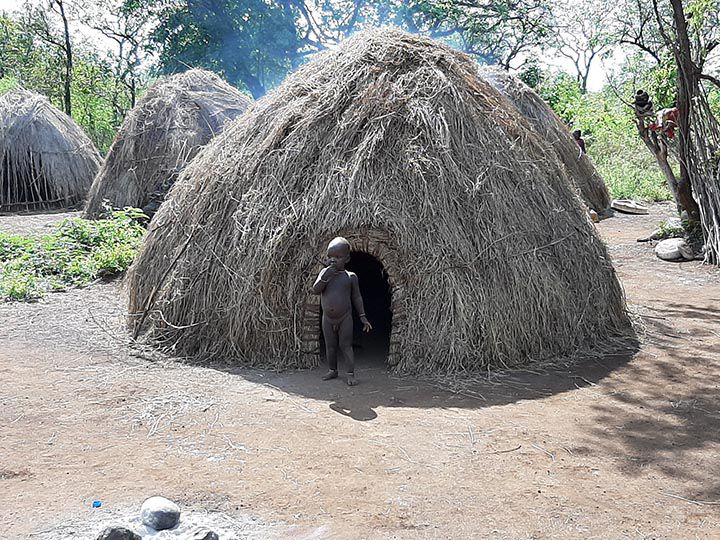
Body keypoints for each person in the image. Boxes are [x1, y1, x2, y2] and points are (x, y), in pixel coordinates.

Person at [312, 237, 372, 386]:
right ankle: (333, 370)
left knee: (346, 346)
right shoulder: (324, 274)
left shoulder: (350, 277)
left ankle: (350, 374)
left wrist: (363, 316)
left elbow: (357, 297)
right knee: (330, 346)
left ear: (347, 258)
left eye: (338, 257)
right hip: (327, 318)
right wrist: (325, 277)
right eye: (330, 257)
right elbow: (315, 290)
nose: (333, 260)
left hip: (345, 317)